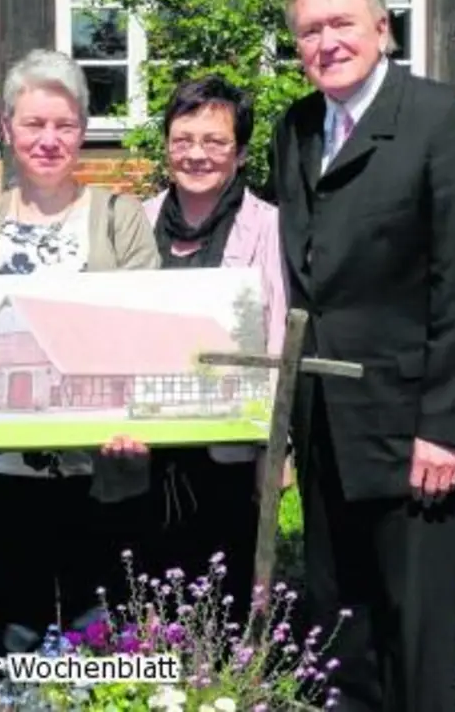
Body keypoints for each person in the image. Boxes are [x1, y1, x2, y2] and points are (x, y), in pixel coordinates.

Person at [268, 0, 455, 712]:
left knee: (423, 649)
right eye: (310, 30)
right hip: (330, 438)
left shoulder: (444, 120)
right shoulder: (297, 130)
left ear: (384, 29)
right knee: (346, 647)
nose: (327, 42)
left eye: (343, 24)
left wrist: (444, 429)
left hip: (417, 441)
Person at [0, 48, 161, 654]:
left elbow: (144, 334)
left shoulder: (119, 218)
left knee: (97, 631)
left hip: (99, 468)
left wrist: (138, 418)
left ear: (83, 133)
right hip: (2, 473)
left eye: (64, 125)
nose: (49, 139)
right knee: (18, 627)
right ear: (7, 127)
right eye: (34, 123)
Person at [134, 74, 288, 627]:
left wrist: (277, 447)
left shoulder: (269, 228)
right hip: (143, 448)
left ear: (241, 152)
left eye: (214, 141)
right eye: (183, 139)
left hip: (228, 450)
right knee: (141, 590)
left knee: (224, 595)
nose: (196, 154)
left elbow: (276, 339)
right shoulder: (135, 221)